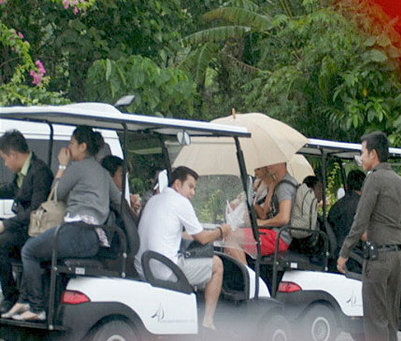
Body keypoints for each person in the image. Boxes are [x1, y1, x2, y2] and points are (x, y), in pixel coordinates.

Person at [2, 126, 121, 321]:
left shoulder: (77, 168)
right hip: (94, 238)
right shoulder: (102, 173)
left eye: (72, 144)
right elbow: (117, 200)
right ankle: (24, 299)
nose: (69, 147)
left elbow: (55, 193)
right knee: (41, 252)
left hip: (76, 232)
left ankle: (36, 306)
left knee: (28, 251)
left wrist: (62, 166)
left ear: (82, 147)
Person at [134, 166, 231, 331]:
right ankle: (208, 323)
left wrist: (209, 233)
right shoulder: (181, 202)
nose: (193, 192)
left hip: (143, 267)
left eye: (195, 188)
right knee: (217, 265)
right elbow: (202, 238)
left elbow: (180, 234)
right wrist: (222, 230)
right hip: (165, 270)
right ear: (177, 184)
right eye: (190, 186)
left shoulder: (154, 200)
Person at [337, 131, 401, 341]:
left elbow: (360, 220)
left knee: (375, 320)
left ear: (374, 154)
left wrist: (344, 252)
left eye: (363, 153)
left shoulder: (373, 180)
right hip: (396, 257)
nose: (361, 158)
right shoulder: (400, 182)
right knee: (390, 320)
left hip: (378, 258)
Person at [0, 130, 53, 314]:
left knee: (2, 241)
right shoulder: (22, 173)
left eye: (5, 159)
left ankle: (12, 297)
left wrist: (5, 224)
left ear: (14, 155)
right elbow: (11, 189)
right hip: (23, 227)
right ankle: (10, 295)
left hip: (36, 229)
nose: (5, 164)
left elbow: (35, 210)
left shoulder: (40, 172)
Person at [226, 162, 297, 264]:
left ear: (282, 162)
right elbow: (266, 211)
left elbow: (284, 218)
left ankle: (248, 278)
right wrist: (271, 188)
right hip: (274, 233)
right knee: (229, 242)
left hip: (279, 237)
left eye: (272, 162)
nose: (268, 165)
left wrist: (261, 223)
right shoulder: (279, 184)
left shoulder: (284, 187)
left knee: (232, 237)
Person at [327, 169, 366, 273]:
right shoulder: (361, 206)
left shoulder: (336, 206)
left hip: (334, 255)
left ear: (347, 186)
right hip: (354, 258)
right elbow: (365, 236)